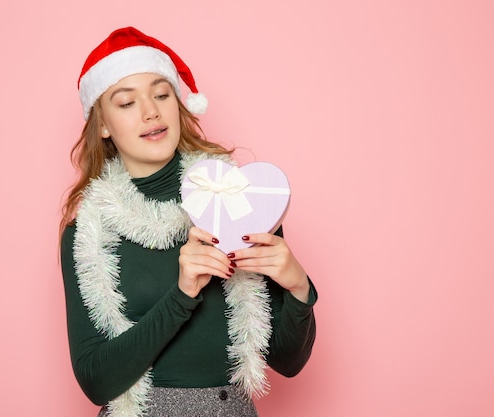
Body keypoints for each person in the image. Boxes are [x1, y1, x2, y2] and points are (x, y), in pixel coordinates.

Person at [60, 27, 317, 417]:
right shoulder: (88, 233)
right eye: (127, 103)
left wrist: (298, 286)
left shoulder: (241, 200)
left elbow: (287, 362)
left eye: (162, 95)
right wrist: (182, 296)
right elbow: (96, 381)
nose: (151, 112)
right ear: (103, 125)